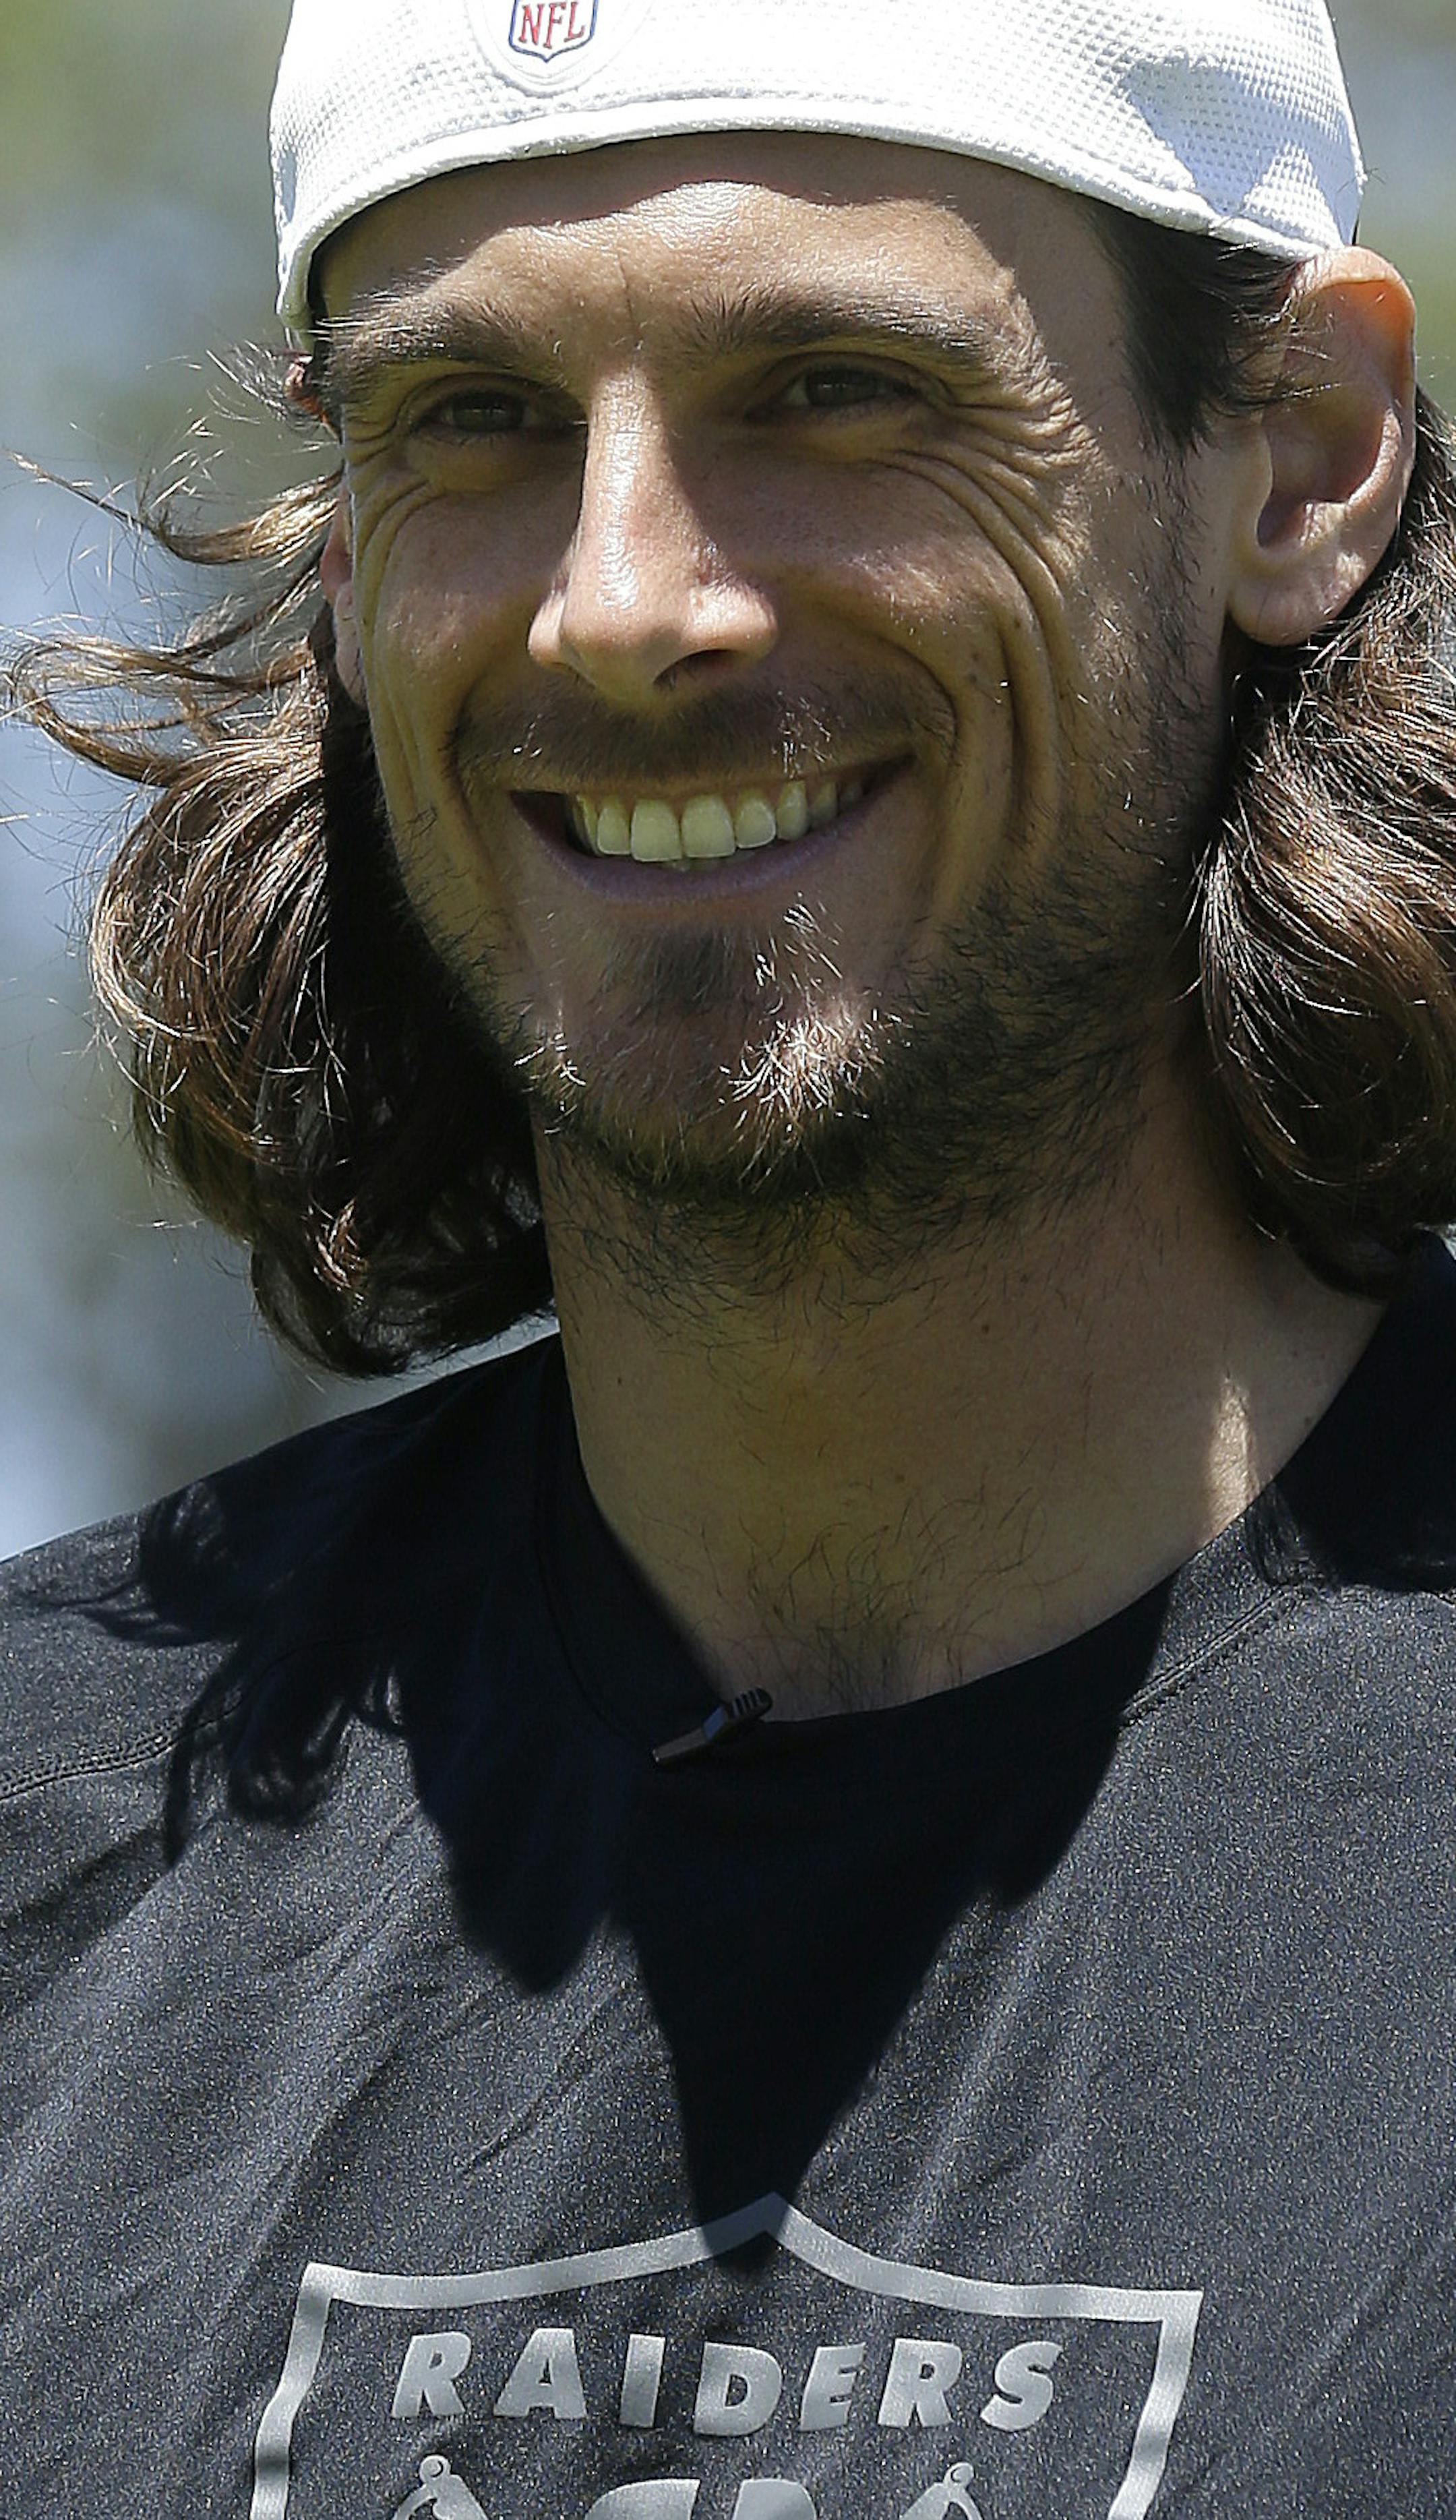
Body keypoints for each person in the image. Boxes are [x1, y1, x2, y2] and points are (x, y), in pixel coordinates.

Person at [4, 0, 1456, 2512]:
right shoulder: (48, 1854)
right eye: (472, 418)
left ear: (1301, 458)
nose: (623, 604)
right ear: (347, 556)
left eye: (837, 390)